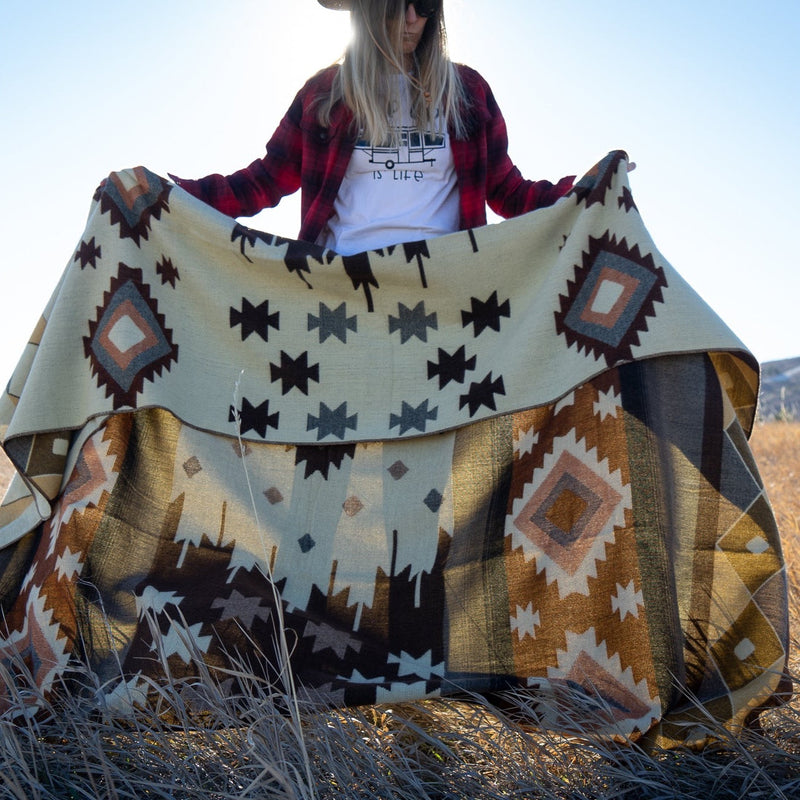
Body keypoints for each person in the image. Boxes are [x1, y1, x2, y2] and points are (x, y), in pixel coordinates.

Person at [172, 0, 577, 255]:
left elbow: (508, 191)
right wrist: (172, 193)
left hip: (448, 287)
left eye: (424, 4)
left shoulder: (467, 92)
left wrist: (588, 189)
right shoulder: (324, 94)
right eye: (396, 4)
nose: (413, 18)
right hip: (340, 284)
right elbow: (260, 183)